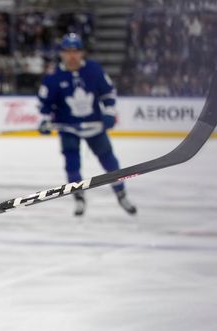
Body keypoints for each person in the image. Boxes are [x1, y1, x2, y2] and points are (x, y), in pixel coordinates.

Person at [37, 33, 137, 217]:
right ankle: (79, 198)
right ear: (62, 53)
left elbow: (108, 93)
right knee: (72, 164)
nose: (72, 55)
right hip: (69, 129)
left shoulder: (94, 69)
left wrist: (109, 113)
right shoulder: (53, 76)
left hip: (94, 127)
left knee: (109, 161)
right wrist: (44, 119)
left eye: (76, 51)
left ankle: (121, 193)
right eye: (68, 51)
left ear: (82, 53)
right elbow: (45, 103)